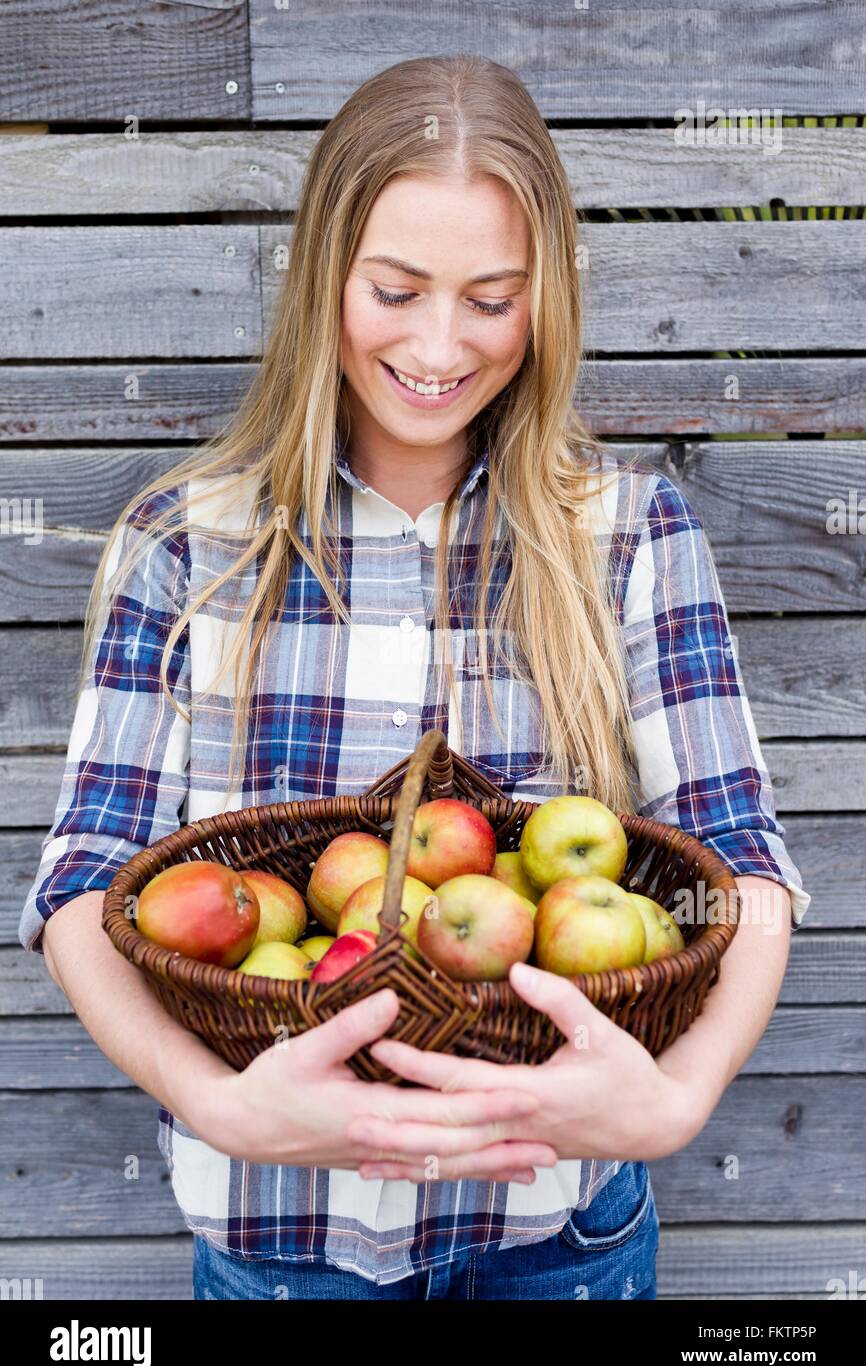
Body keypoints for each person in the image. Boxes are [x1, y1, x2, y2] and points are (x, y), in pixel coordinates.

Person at [18, 54, 810, 1302]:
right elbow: (79, 882)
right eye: (394, 290)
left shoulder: (628, 535)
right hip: (284, 1235)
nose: (439, 345)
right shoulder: (187, 543)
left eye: (492, 300)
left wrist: (674, 1099)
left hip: (556, 1233)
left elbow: (739, 863)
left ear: (544, 301)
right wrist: (218, 1100)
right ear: (324, 273)